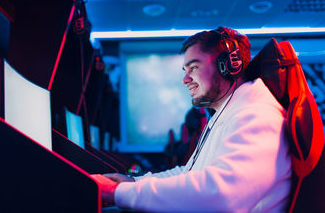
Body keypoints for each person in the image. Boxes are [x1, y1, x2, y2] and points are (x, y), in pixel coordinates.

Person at [92, 27, 291, 212]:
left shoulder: (257, 117)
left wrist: (115, 193)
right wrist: (132, 183)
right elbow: (190, 173)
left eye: (193, 68)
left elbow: (220, 196)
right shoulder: (229, 114)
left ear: (229, 66)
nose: (185, 79)